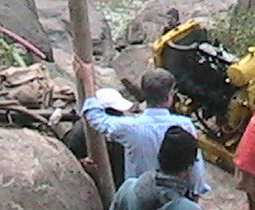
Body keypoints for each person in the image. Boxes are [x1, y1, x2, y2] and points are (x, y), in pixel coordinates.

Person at [75, 63, 210, 198]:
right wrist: (195, 196)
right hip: (175, 199)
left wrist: (88, 80)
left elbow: (95, 117)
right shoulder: (185, 126)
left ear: (144, 94)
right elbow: (195, 169)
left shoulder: (130, 128)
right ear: (170, 96)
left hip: (138, 201)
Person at [64, 87, 131, 188]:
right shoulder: (81, 132)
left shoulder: (122, 130)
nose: (120, 115)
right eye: (115, 111)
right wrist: (82, 163)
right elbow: (69, 158)